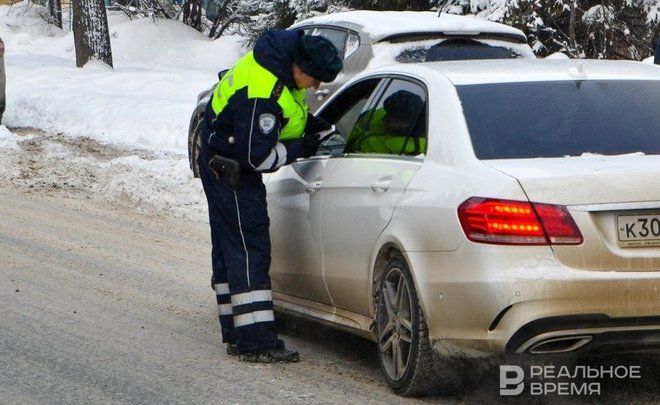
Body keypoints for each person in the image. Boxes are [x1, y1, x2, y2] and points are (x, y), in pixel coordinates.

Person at [197, 30, 342, 363]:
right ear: (300, 66)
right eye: (315, 79)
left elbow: (286, 114)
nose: (316, 87)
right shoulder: (263, 91)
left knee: (230, 243)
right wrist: (301, 147)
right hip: (231, 168)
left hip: (221, 157)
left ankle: (237, 330)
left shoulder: (279, 67)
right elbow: (257, 157)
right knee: (248, 247)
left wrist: (310, 127)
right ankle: (256, 341)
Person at [347, 90, 426, 155]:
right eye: (387, 113)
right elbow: (353, 127)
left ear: (408, 122)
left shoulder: (415, 149)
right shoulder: (384, 111)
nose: (384, 118)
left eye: (392, 118)